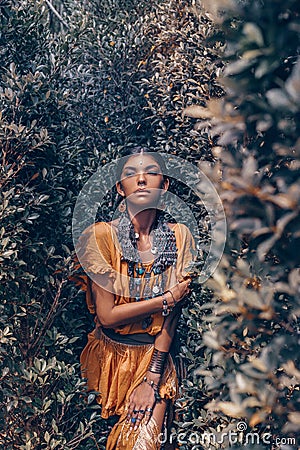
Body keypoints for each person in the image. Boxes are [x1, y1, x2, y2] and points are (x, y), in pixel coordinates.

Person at [73, 147, 196, 449]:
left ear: (165, 184)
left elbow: (174, 316)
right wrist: (165, 299)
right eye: (130, 174)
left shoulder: (180, 236)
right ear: (120, 188)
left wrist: (151, 379)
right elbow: (108, 315)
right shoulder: (100, 236)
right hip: (108, 360)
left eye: (151, 172)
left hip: (156, 358)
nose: (141, 180)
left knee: (142, 444)